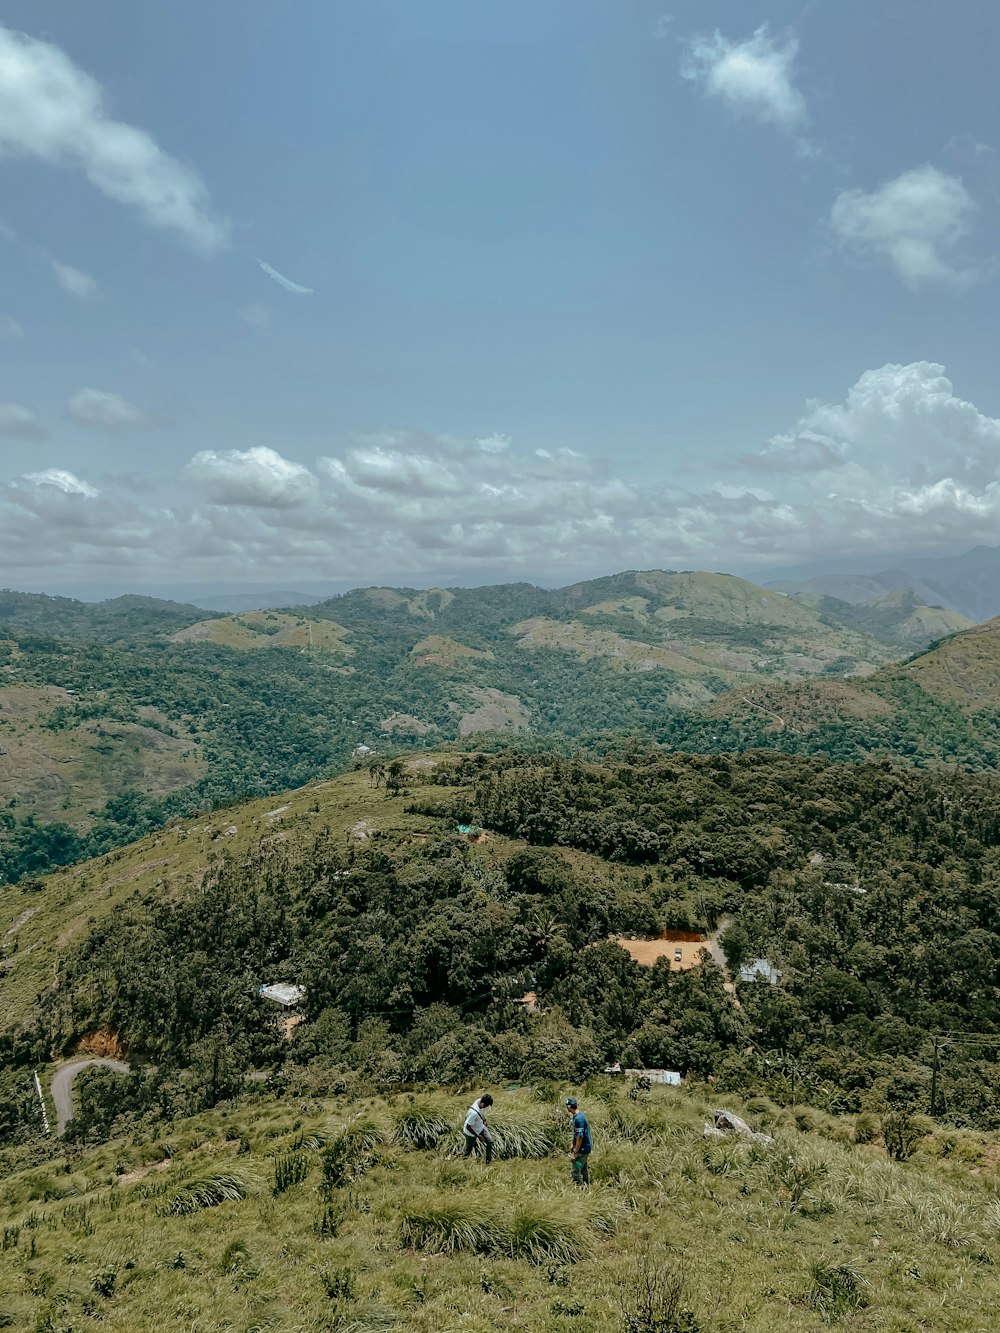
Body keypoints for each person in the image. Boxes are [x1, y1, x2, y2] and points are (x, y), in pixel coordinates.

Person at [566, 1096, 591, 1186]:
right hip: (585, 1147)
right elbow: (577, 1134)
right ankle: (586, 1186)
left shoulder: (578, 1119)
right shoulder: (578, 1115)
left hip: (582, 1149)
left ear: (569, 1106)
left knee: (575, 1171)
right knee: (584, 1169)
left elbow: (580, 1137)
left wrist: (575, 1151)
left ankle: (580, 1191)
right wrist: (573, 1144)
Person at [463, 1093, 494, 1163]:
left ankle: (488, 1161)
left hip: (480, 1127)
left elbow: (481, 1114)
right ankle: (462, 1162)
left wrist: (484, 1120)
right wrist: (478, 1136)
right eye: (487, 1105)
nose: (486, 1107)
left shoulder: (480, 1101)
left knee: (490, 1142)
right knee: (468, 1150)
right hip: (470, 1132)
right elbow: (468, 1126)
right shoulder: (473, 1113)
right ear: (483, 1104)